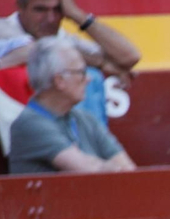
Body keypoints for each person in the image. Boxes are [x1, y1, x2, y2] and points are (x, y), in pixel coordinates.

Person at [0, 0, 140, 76]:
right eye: (40, 10)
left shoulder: (66, 40)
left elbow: (129, 57)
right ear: (20, 7)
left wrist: (76, 14)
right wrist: (102, 64)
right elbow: (40, 51)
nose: (51, 18)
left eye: (58, 10)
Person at [7, 35, 133, 174]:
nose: (89, 79)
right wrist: (108, 167)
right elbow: (86, 170)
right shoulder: (30, 124)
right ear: (60, 80)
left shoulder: (86, 119)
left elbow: (128, 170)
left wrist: (105, 167)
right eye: (82, 72)